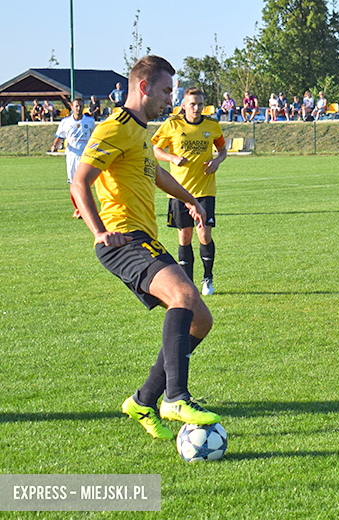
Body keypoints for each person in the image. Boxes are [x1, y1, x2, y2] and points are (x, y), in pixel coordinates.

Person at [71, 55, 221, 441]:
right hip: (122, 239)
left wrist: (191, 200)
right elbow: (79, 182)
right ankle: (176, 396)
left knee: (200, 320)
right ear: (143, 87)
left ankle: (143, 400)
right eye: (166, 91)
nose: (169, 99)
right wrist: (101, 231)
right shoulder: (114, 127)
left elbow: (157, 175)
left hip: (145, 238)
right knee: (183, 295)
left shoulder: (140, 132)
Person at [152, 86, 227, 297]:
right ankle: (188, 284)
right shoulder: (172, 124)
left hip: (205, 188)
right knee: (184, 237)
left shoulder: (212, 125)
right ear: (183, 105)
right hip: (178, 190)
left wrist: (217, 161)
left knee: (204, 234)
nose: (197, 108)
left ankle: (208, 278)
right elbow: (155, 149)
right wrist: (172, 158)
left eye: (200, 104)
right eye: (192, 104)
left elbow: (222, 150)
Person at [50, 97, 96, 218]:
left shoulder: (90, 121)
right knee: (73, 184)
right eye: (76, 106)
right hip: (71, 156)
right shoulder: (65, 122)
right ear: (71, 107)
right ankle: (77, 208)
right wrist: (55, 145)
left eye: (80, 106)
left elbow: (95, 138)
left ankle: (84, 209)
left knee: (85, 183)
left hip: (85, 156)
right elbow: (60, 137)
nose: (78, 108)